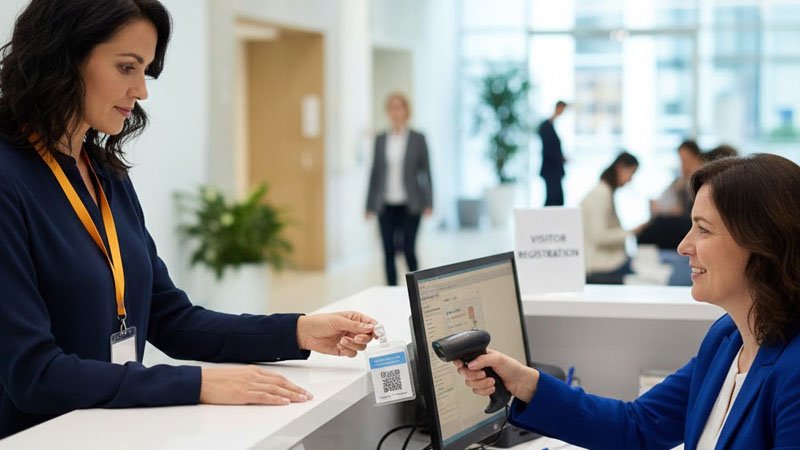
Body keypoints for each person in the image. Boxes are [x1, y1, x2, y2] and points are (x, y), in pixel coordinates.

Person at [0, 0, 377, 439]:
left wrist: (298, 331)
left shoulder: (105, 174)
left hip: (111, 429)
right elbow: (34, 374)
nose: (141, 91)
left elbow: (173, 320)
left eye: (145, 71)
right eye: (126, 67)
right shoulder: (8, 179)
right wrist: (199, 384)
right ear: (63, 58)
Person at [455, 154, 800, 449]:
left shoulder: (793, 371)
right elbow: (638, 425)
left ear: (763, 244)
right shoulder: (726, 339)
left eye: (704, 229)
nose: (684, 246)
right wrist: (523, 382)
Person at [365, 92, 433, 286]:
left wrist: (429, 202)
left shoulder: (418, 138)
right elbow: (374, 173)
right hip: (385, 204)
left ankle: (417, 289)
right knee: (388, 250)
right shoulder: (380, 139)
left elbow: (427, 172)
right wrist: (368, 205)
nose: (396, 112)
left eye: (399, 107)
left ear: (406, 111)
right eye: (392, 108)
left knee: (409, 250)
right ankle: (391, 291)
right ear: (388, 112)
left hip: (410, 204)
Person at [581, 152, 639, 285]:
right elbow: (599, 237)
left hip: (603, 262)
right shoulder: (600, 194)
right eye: (631, 173)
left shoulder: (605, 192)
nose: (630, 180)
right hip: (599, 266)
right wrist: (631, 232)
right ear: (620, 168)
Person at [538, 100, 568, 206]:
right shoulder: (546, 126)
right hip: (551, 170)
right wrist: (560, 158)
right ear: (558, 108)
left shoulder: (551, 126)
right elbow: (548, 150)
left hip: (555, 170)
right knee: (553, 200)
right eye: (562, 110)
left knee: (557, 199)